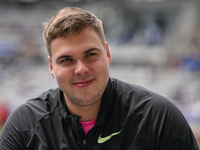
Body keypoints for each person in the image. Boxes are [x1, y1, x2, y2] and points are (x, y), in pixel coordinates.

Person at [0, 7, 199, 150]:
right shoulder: (24, 127)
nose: (81, 69)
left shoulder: (159, 119)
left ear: (107, 54)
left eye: (90, 55)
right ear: (52, 67)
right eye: (66, 60)